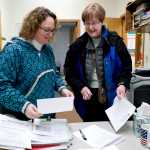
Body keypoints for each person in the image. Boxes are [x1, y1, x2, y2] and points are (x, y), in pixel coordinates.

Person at [0, 7, 73, 120]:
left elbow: (54, 74)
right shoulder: (13, 50)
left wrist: (62, 88)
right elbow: (2, 87)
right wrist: (24, 106)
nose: (50, 34)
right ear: (33, 27)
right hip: (21, 116)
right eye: (46, 30)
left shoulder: (47, 50)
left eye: (52, 30)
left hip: (46, 116)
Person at [64, 3, 132, 121]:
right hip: (87, 97)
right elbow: (69, 72)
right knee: (91, 128)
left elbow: (126, 68)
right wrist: (81, 87)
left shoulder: (115, 41)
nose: (91, 27)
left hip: (112, 96)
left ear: (101, 22)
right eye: (87, 23)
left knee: (112, 128)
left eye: (94, 23)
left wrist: (122, 84)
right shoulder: (77, 46)